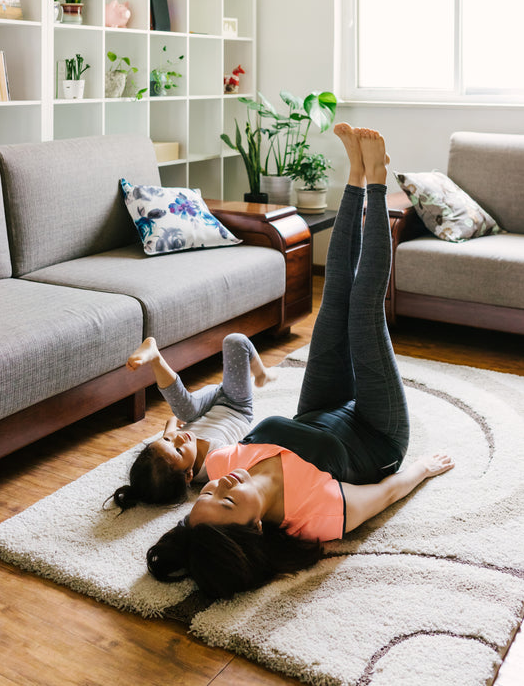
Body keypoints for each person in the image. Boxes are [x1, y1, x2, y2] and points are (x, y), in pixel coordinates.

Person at [146, 126, 454, 599]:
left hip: (316, 412)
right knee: (362, 311)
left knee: (331, 302)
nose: (219, 485)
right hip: (377, 432)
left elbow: (192, 450)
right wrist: (424, 469)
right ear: (254, 529)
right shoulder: (316, 517)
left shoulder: (221, 466)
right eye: (227, 501)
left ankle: (354, 173)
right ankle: (376, 180)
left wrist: (172, 439)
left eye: (207, 494)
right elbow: (386, 492)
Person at [110, 333, 276, 510]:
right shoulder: (216, 466)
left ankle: (156, 358)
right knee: (235, 341)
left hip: (202, 406)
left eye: (166, 440)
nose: (178, 439)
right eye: (179, 450)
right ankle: (261, 374)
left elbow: (171, 420)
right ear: (189, 475)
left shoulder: (173, 446)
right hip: (235, 406)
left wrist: (172, 431)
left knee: (184, 411)